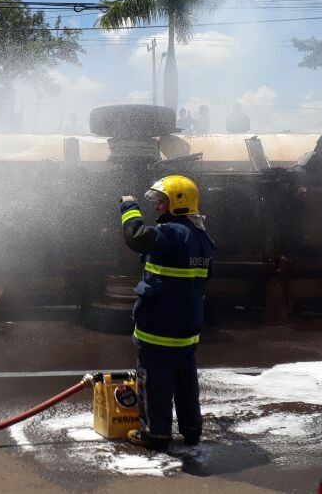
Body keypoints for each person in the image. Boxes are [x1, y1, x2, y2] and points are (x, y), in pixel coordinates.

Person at [118, 175, 215, 449]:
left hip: (160, 325)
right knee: (185, 380)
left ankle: (155, 433)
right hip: (187, 327)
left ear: (179, 204)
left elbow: (136, 237)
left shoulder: (173, 232)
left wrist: (129, 207)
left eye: (162, 201)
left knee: (154, 381)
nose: (158, 206)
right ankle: (192, 429)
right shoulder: (202, 237)